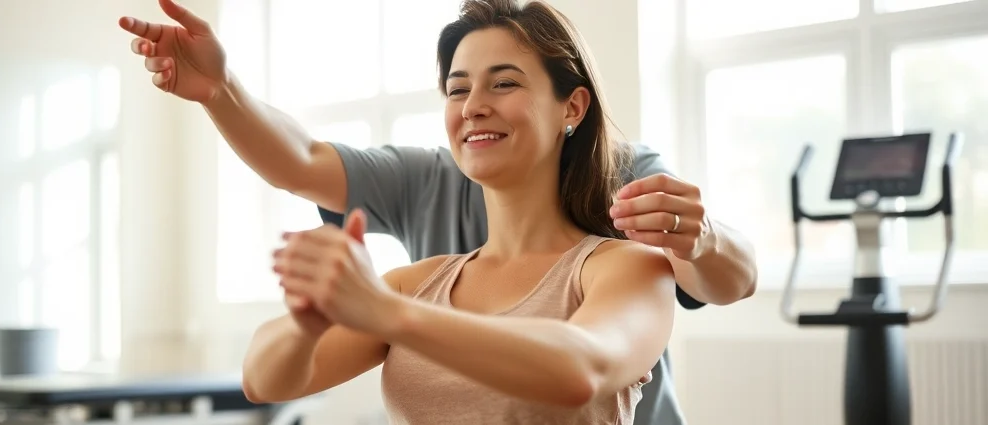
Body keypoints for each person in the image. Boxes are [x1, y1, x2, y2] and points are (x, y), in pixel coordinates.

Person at [117, 0, 758, 423]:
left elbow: (578, 369)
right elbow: (263, 378)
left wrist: (388, 313)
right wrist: (312, 320)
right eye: (458, 88)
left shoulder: (623, 257)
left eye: (504, 82)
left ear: (573, 107)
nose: (474, 104)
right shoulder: (420, 275)